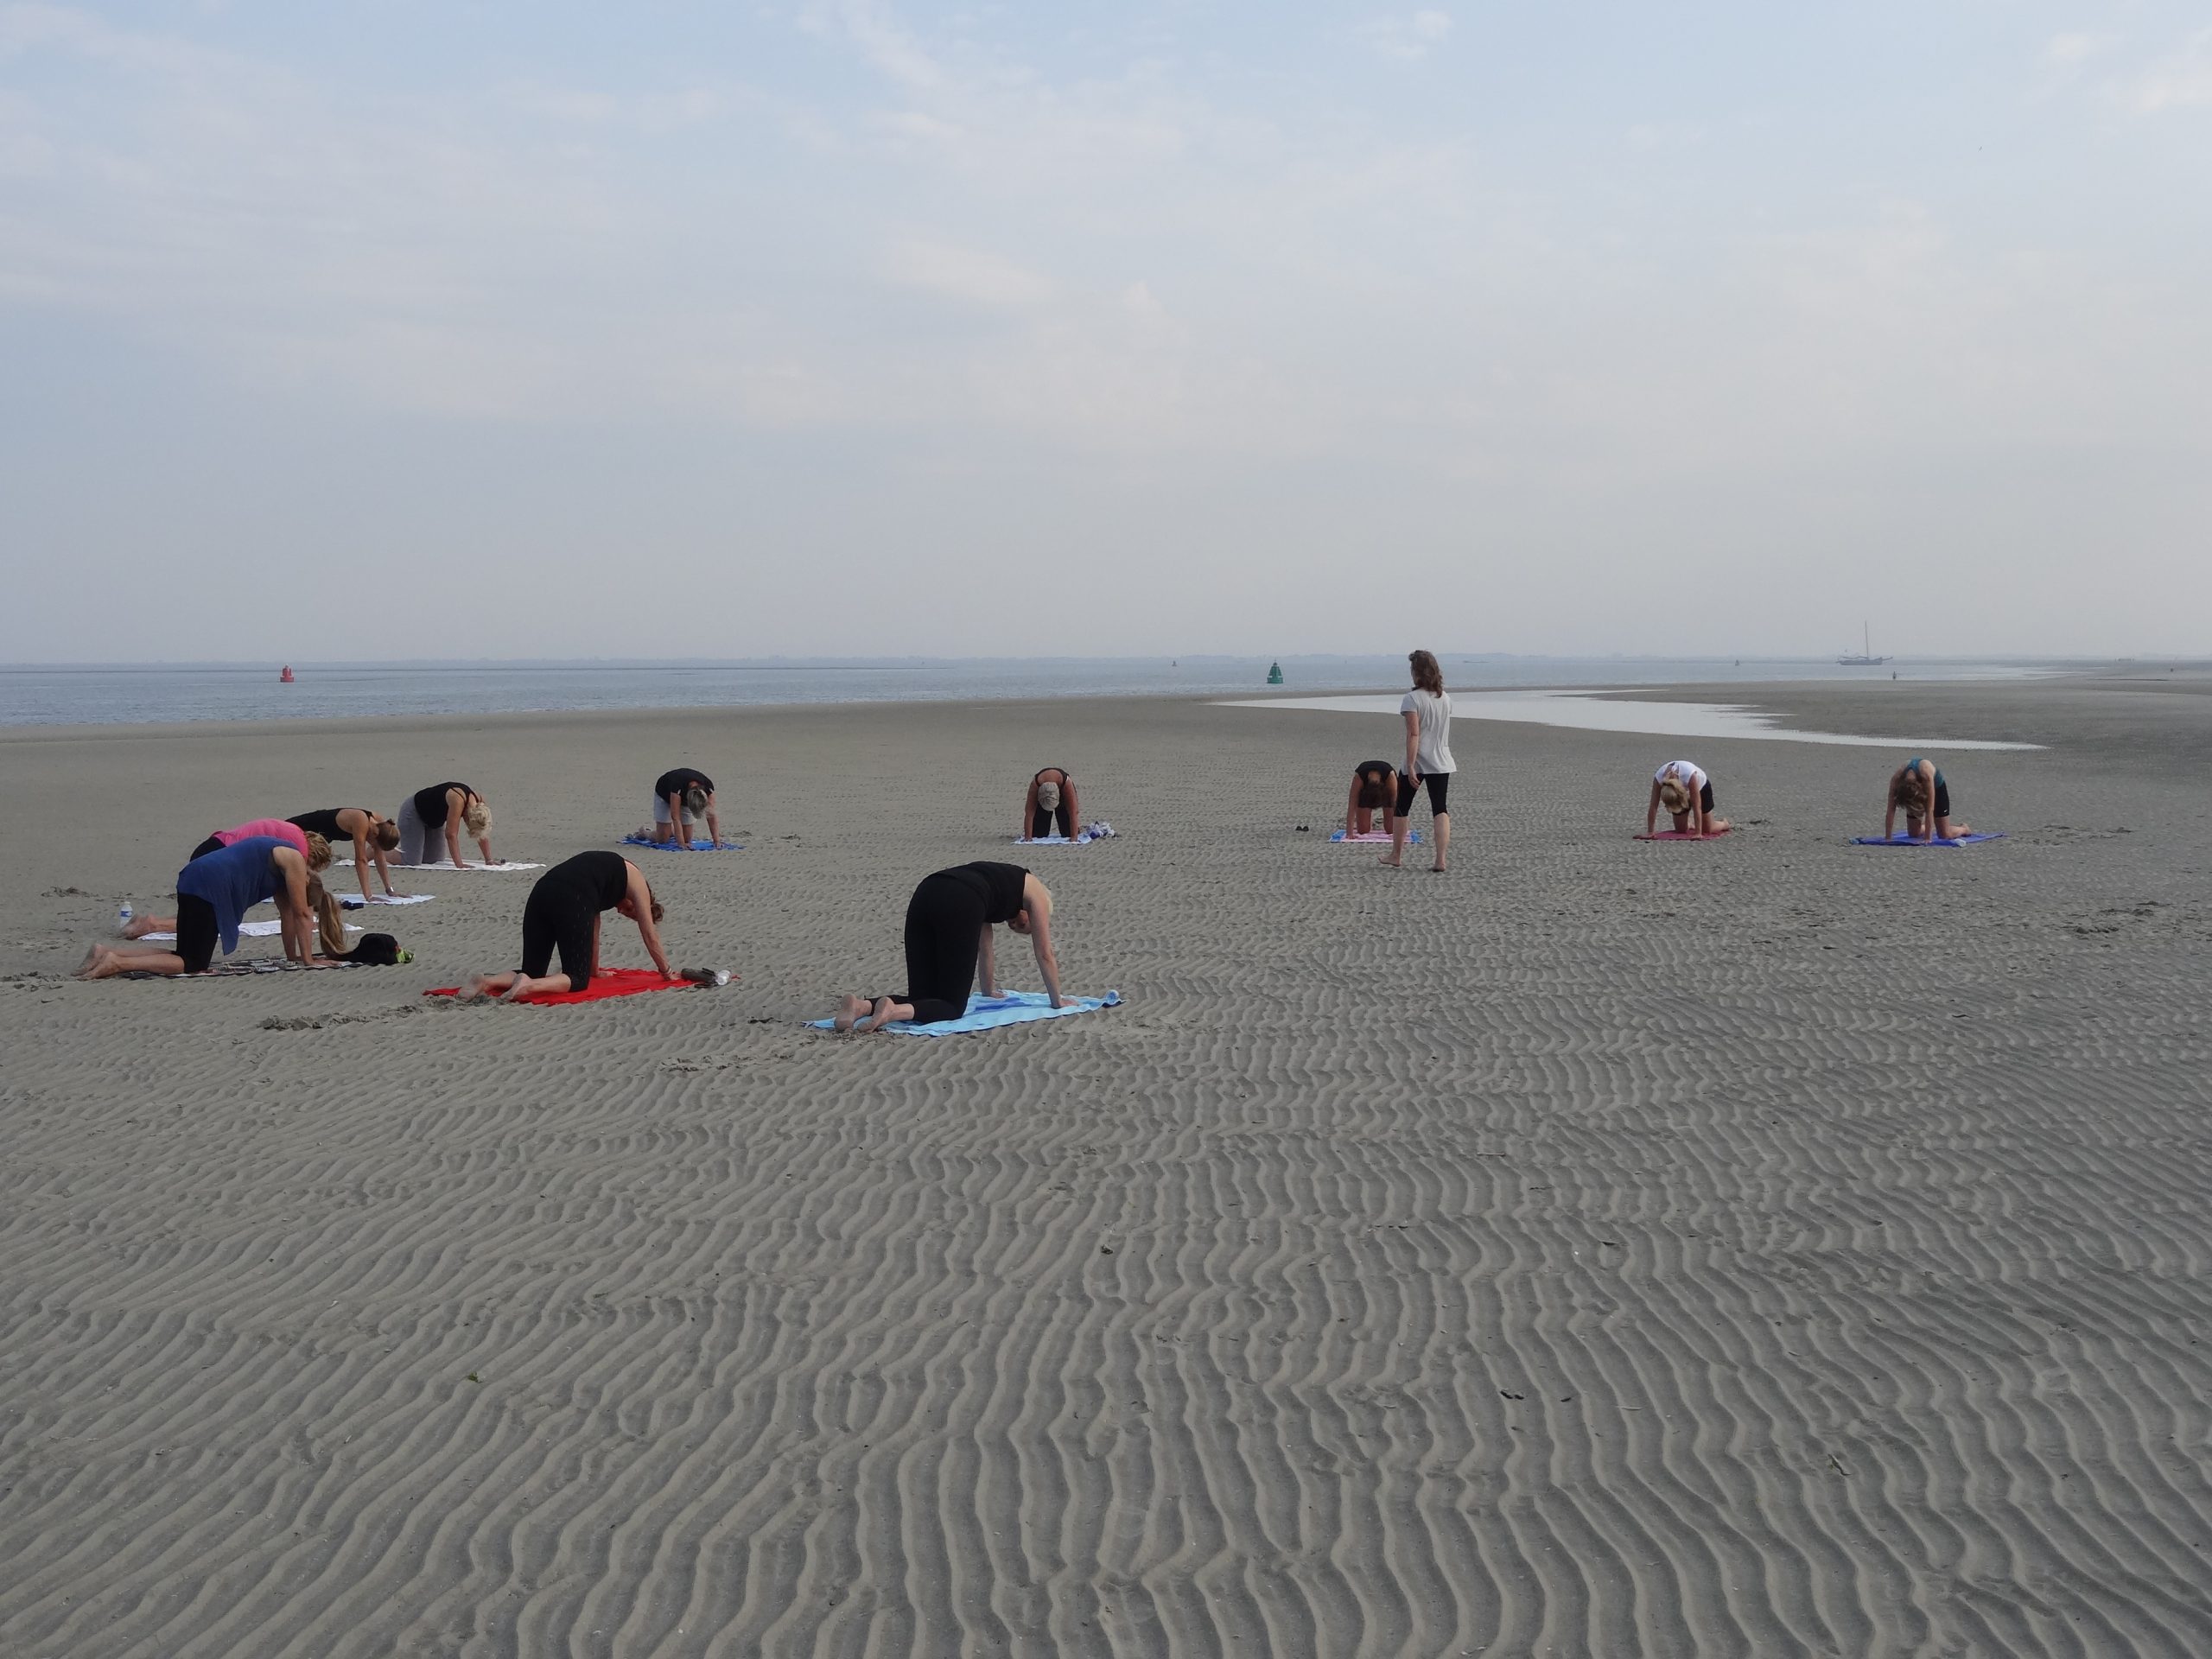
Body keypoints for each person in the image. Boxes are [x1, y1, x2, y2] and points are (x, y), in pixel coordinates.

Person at [832, 861, 1064, 1032]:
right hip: (961, 899)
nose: (1013, 924)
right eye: (1022, 925)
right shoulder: (1038, 894)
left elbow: (985, 948)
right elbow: (1045, 953)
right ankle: (893, 1012)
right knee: (952, 1007)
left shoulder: (995, 883)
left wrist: (988, 992)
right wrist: (1057, 1001)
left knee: (922, 998)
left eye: (1015, 928)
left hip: (927, 891)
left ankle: (860, 1006)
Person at [78, 836, 325, 978]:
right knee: (193, 963)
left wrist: (293, 957)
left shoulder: (281, 864)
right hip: (211, 885)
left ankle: (106, 952)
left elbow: (288, 917)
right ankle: (117, 963)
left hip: (194, 875)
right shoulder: (294, 860)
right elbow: (302, 914)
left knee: (182, 952)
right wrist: (308, 961)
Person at [466, 851, 672, 1001]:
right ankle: (529, 985)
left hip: (541, 891)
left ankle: (487, 982)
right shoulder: (638, 883)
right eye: (629, 910)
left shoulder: (605, 876)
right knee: (577, 979)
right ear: (646, 901)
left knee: (532, 970)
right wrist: (667, 972)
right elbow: (649, 934)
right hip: (572, 897)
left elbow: (593, 930)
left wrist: (595, 971)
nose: (621, 911)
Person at [121, 825, 331, 938]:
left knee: (201, 910)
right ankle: (152, 925)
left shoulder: (293, 832)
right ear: (313, 856)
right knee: (216, 919)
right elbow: (289, 903)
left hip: (214, 848)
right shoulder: (298, 851)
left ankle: (149, 921)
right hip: (219, 859)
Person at [1382, 650, 1454, 873]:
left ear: (1417, 672)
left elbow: (1414, 734)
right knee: (1440, 808)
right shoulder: (1445, 698)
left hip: (1420, 759)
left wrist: (1411, 765)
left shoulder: (1412, 699)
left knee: (1402, 806)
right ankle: (1440, 859)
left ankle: (1396, 855)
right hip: (1441, 759)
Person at [289, 806, 404, 903]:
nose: (373, 847)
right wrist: (368, 896)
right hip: (307, 826)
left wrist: (390, 890)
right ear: (374, 835)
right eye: (375, 844)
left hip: (323, 835)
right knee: (297, 860)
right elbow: (361, 860)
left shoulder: (380, 824)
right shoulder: (361, 821)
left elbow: (380, 858)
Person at [397, 782, 493, 868]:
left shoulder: (479, 804)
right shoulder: (458, 800)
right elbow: (451, 834)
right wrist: (459, 864)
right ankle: (388, 850)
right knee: (411, 861)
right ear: (469, 816)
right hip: (414, 813)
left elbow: (481, 830)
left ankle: (410, 847)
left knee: (434, 861)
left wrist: (489, 860)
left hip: (434, 821)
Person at [1885, 757, 1972, 842]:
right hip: (1912, 792)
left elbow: (1930, 809)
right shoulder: (1897, 779)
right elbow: (1890, 810)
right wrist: (1888, 837)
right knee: (1914, 834)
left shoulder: (1926, 776)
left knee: (1944, 835)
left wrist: (1928, 838)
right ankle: (1931, 826)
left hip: (1937, 788)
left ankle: (1964, 829)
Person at [1645, 760, 1731, 837]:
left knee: (1707, 829)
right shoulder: (1659, 778)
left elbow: (1697, 807)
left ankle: (1724, 823)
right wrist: (1650, 832)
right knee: (1680, 830)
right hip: (1679, 793)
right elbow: (1653, 806)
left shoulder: (1689, 775)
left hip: (1702, 788)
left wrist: (1698, 833)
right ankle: (1690, 823)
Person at [651, 767, 721, 849]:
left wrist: (716, 840)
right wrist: (681, 843)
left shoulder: (708, 788)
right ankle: (645, 832)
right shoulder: (677, 786)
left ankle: (670, 831)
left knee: (687, 839)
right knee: (663, 839)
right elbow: (675, 817)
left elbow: (711, 815)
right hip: (664, 793)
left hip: (688, 797)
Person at [1021, 767, 1081, 841]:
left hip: (1062, 796)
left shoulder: (1066, 784)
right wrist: (1028, 837)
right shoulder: (1036, 784)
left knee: (1067, 833)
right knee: (1038, 835)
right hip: (1043, 795)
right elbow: (1029, 813)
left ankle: (1076, 829)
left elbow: (1074, 812)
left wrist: (1074, 838)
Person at [1344, 760, 1399, 837]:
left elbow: (1396, 803)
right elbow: (1352, 805)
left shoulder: (1390, 776)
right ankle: (1367, 820)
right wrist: (1349, 833)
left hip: (1385, 791)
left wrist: (1400, 830)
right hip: (1366, 793)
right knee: (1363, 831)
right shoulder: (1359, 777)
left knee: (1391, 830)